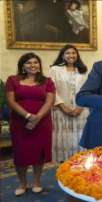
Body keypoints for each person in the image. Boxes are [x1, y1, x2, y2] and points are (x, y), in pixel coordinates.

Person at [5, 53, 55, 196]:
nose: (33, 65)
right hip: (20, 123)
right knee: (21, 155)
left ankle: (37, 182)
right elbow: (11, 101)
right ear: (22, 66)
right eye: (28, 63)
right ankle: (22, 183)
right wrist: (27, 116)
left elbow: (49, 101)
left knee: (39, 154)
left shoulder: (47, 81)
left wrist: (36, 118)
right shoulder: (12, 80)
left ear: (39, 65)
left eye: (35, 62)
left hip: (42, 122)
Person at [49, 44, 89, 162]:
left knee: (80, 138)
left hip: (81, 110)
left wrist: (80, 107)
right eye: (67, 53)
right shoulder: (55, 69)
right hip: (61, 110)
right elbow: (52, 90)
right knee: (63, 140)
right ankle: (64, 166)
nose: (71, 55)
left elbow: (88, 89)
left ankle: (81, 164)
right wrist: (63, 106)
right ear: (62, 55)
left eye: (73, 53)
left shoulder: (83, 70)